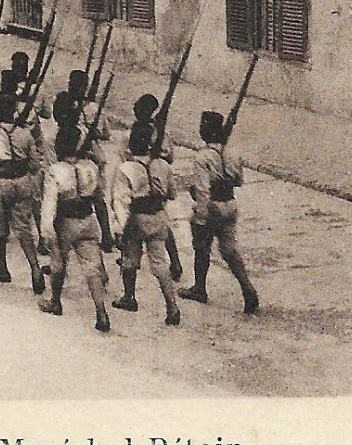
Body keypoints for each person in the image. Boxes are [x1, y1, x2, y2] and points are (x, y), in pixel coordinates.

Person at [180, 111, 261, 314]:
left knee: (202, 248)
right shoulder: (232, 153)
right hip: (230, 204)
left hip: (213, 207)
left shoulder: (202, 157)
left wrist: (200, 216)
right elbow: (239, 181)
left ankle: (199, 288)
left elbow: (202, 190)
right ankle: (247, 289)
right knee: (230, 251)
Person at [38, 123, 112, 332]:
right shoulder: (90, 167)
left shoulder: (56, 171)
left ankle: (55, 301)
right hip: (88, 218)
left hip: (66, 221)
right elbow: (99, 198)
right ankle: (101, 312)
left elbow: (49, 204)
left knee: (58, 262)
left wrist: (46, 232)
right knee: (92, 268)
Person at [110, 119, 182, 326]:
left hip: (136, 219)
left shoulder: (126, 168)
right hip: (159, 216)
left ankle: (129, 297)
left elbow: (121, 202)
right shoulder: (162, 165)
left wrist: (120, 230)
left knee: (130, 260)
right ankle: (172, 306)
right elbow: (173, 193)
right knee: (159, 264)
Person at [0, 92, 45, 293]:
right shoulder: (25, 133)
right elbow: (34, 164)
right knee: (23, 228)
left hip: (1, 183)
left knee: (0, 228)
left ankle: (3, 269)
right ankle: (35, 267)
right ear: (15, 111)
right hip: (23, 181)